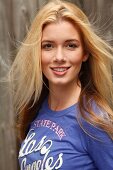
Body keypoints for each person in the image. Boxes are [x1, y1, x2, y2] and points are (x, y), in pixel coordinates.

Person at [9, 0, 113, 169]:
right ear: (37, 52)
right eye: (48, 46)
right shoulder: (35, 109)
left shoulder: (94, 121)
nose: (59, 57)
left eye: (70, 46)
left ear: (85, 52)